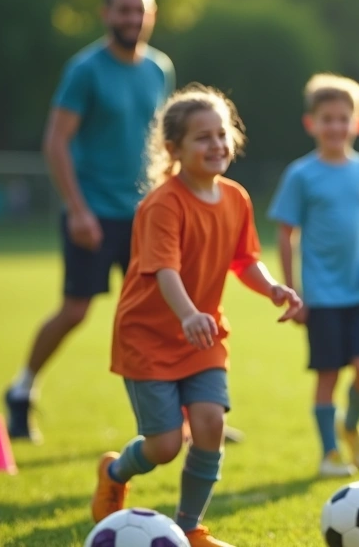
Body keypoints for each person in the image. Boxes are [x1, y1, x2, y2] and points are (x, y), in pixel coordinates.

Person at [90, 84, 301, 547]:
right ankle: (115, 470)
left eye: (222, 135)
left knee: (210, 425)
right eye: (202, 137)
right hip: (148, 336)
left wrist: (273, 288)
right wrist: (187, 313)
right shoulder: (162, 203)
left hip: (203, 336)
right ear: (174, 149)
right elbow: (163, 268)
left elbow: (244, 259)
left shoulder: (236, 198)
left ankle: (189, 528)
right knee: (164, 445)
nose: (216, 145)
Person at [3, 0, 173, 443]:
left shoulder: (160, 68)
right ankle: (22, 390)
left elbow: (164, 143)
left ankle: (187, 413)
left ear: (152, 14)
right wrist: (78, 210)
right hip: (93, 212)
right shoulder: (85, 70)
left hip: (145, 216)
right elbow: (56, 142)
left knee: (165, 312)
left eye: (140, 10)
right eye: (124, 10)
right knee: (76, 310)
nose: (132, 19)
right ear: (106, 14)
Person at [268, 73, 359, 478]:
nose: (336, 126)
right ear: (312, 123)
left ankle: (352, 424)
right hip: (322, 295)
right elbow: (285, 233)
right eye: (327, 118)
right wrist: (294, 291)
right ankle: (329, 453)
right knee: (328, 374)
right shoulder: (301, 175)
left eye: (344, 118)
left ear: (358, 123)